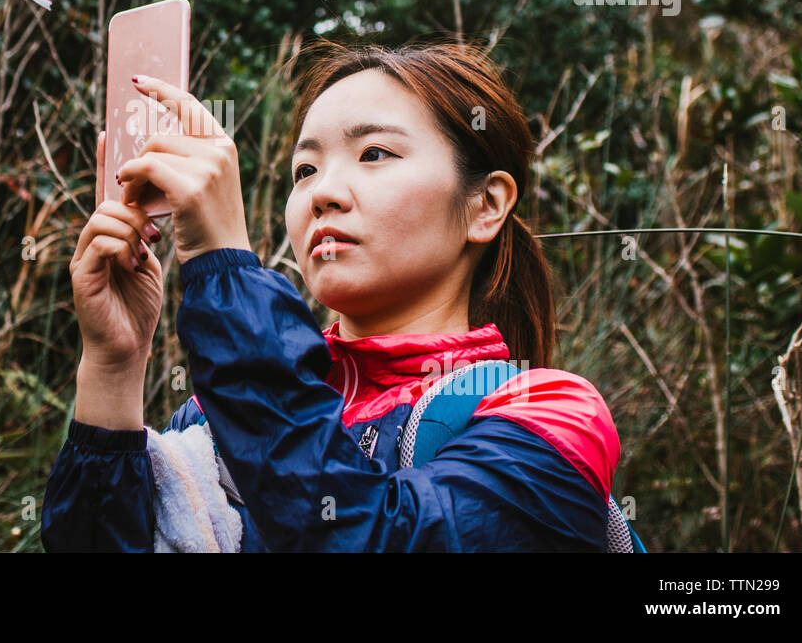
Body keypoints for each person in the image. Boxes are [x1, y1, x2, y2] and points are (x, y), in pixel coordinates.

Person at [42, 37, 627, 552]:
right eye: (304, 170)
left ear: (486, 204)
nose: (323, 192)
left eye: (374, 153)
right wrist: (113, 368)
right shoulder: (211, 415)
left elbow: (373, 536)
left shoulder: (552, 417)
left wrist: (224, 266)